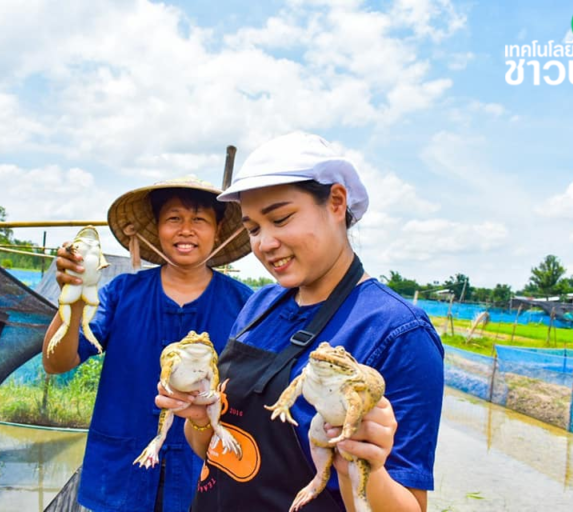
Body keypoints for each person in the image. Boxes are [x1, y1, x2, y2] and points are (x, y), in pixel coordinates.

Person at [155, 132, 445, 512]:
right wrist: (197, 418)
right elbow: (214, 450)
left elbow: (411, 506)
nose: (265, 243)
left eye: (280, 218)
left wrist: (357, 468)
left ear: (337, 202)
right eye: (254, 228)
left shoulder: (398, 332)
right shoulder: (258, 305)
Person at [43, 176, 254, 512]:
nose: (186, 230)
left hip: (206, 473)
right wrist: (74, 300)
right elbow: (56, 363)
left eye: (199, 220)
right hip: (120, 472)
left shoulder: (246, 306)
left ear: (218, 230)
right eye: (174, 219)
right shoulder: (121, 292)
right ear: (157, 229)